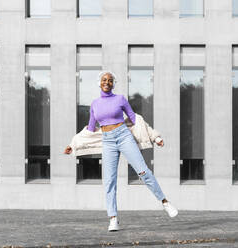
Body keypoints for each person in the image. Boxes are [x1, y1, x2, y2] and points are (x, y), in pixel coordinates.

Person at [64, 71, 178, 232]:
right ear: (99, 82)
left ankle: (165, 202)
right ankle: (113, 219)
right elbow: (90, 130)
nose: (107, 82)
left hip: (124, 136)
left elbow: (137, 121)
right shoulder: (95, 104)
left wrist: (155, 137)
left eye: (110, 80)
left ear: (113, 83)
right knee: (109, 181)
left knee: (143, 171)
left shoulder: (120, 99)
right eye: (104, 80)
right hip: (107, 141)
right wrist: (73, 144)